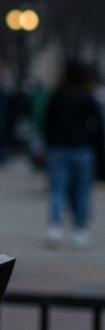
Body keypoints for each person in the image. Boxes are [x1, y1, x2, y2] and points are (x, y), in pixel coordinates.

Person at [43, 60, 104, 248]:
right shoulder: (87, 97)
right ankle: (80, 229)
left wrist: (50, 143)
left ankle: (55, 226)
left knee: (58, 189)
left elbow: (47, 122)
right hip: (83, 149)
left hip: (59, 148)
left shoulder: (58, 95)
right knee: (82, 191)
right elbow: (97, 126)